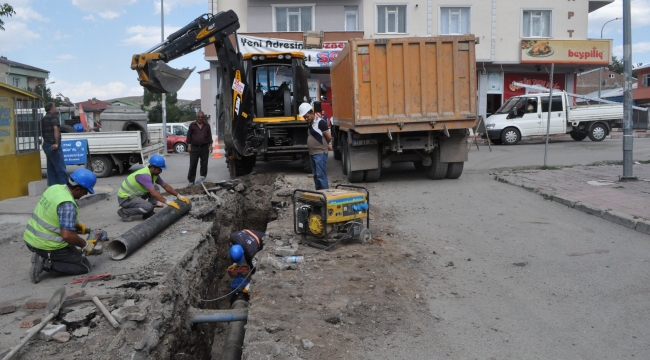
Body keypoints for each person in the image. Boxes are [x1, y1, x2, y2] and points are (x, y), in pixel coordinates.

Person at [24, 168, 97, 284]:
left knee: (74, 252)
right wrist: (86, 245)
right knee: (84, 266)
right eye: (85, 191)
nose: (86, 194)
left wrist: (74, 224)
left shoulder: (54, 188)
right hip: (46, 244)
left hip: (30, 238)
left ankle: (43, 255)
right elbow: (67, 236)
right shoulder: (67, 204)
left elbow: (51, 214)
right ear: (77, 189)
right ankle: (45, 263)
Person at [116, 154, 190, 222]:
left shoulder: (154, 174)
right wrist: (168, 202)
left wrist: (179, 196)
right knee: (148, 206)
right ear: (153, 168)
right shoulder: (144, 176)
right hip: (126, 199)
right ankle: (124, 212)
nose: (161, 171)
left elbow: (165, 186)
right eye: (160, 169)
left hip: (135, 196)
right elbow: (153, 194)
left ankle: (148, 213)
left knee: (156, 187)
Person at [300, 102, 332, 190]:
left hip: (320, 153)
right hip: (312, 153)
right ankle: (319, 193)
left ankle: (326, 194)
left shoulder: (321, 122)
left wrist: (326, 145)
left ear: (311, 113)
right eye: (304, 117)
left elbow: (328, 137)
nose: (306, 119)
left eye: (307, 116)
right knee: (315, 175)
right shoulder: (310, 123)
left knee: (321, 175)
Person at [41, 102, 67, 185]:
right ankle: (64, 187)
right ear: (52, 109)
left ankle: (53, 187)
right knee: (60, 168)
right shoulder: (53, 117)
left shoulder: (43, 119)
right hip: (53, 145)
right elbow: (56, 129)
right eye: (54, 107)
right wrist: (57, 143)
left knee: (51, 168)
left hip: (46, 144)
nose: (55, 109)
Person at [186, 111, 213, 185]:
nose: (200, 118)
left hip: (204, 147)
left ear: (203, 117)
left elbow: (209, 136)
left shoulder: (207, 125)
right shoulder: (192, 125)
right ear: (196, 117)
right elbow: (189, 136)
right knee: (193, 164)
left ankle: (202, 179)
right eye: (199, 117)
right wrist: (189, 145)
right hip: (194, 148)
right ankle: (191, 180)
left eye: (202, 117)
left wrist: (210, 145)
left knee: (204, 164)